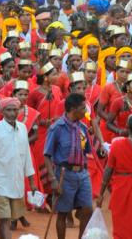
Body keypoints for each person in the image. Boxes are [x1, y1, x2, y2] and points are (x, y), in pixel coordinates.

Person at [0, 97, 36, 239]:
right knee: (5, 219)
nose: (13, 113)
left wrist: (31, 181)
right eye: (9, 110)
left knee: (6, 219)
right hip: (0, 182)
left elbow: (27, 156)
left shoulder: (23, 128)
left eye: (15, 110)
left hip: (17, 181)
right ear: (3, 111)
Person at [96, 113, 132, 239]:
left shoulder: (117, 145)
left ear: (127, 126)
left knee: (120, 224)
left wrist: (101, 194)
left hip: (120, 188)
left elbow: (108, 171)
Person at [43, 93, 94, 239]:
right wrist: (53, 180)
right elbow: (47, 155)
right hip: (64, 174)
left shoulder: (83, 128)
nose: (86, 111)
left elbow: (88, 151)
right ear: (73, 109)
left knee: (88, 210)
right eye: (83, 108)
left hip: (82, 173)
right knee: (63, 213)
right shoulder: (56, 128)